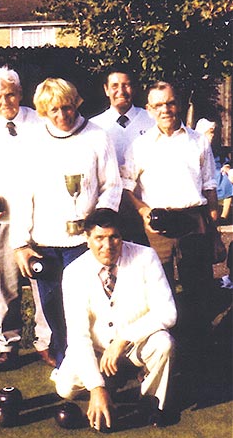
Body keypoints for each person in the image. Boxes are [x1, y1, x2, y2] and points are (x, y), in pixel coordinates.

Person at [10, 78, 122, 369]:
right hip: (45, 244)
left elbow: (111, 185)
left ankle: (98, 362)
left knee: (89, 304)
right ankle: (66, 362)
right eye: (54, 110)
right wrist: (21, 244)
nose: (62, 116)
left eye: (68, 107)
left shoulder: (97, 135)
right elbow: (21, 194)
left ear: (77, 103)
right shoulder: (31, 141)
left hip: (84, 243)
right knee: (52, 307)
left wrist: (98, 225)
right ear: (43, 110)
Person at [120, 81, 218, 387]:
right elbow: (126, 187)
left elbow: (210, 187)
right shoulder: (140, 145)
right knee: (158, 298)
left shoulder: (198, 141)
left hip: (193, 222)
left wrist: (213, 233)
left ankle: (196, 360)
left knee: (198, 293)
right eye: (158, 105)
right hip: (158, 228)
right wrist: (143, 212)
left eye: (171, 103)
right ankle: (159, 359)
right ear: (149, 110)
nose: (165, 109)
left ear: (178, 104)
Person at [53, 208, 177, 430]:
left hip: (135, 345)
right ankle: (108, 381)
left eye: (114, 237)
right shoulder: (73, 273)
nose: (107, 246)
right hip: (98, 349)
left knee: (164, 343)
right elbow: (78, 336)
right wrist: (96, 388)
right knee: (65, 388)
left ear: (122, 236)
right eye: (99, 238)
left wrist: (123, 339)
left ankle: (151, 402)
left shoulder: (146, 257)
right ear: (87, 238)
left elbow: (168, 312)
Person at [0, 66, 55, 371]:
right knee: (4, 286)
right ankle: (9, 343)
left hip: (38, 217)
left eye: (11, 94)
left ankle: (47, 342)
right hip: (1, 219)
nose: (6, 101)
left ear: (20, 92)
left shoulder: (40, 121)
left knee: (42, 281)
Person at [90, 63, 155, 243]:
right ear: (106, 90)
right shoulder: (94, 127)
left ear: (133, 88)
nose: (121, 91)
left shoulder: (151, 120)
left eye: (126, 85)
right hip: (110, 210)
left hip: (146, 208)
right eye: (115, 86)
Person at [195, 118, 232, 225]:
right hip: (205, 174)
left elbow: (224, 161)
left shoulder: (216, 148)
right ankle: (207, 216)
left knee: (227, 181)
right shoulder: (197, 146)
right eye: (210, 133)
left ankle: (224, 216)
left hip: (218, 172)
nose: (213, 136)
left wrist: (226, 166)